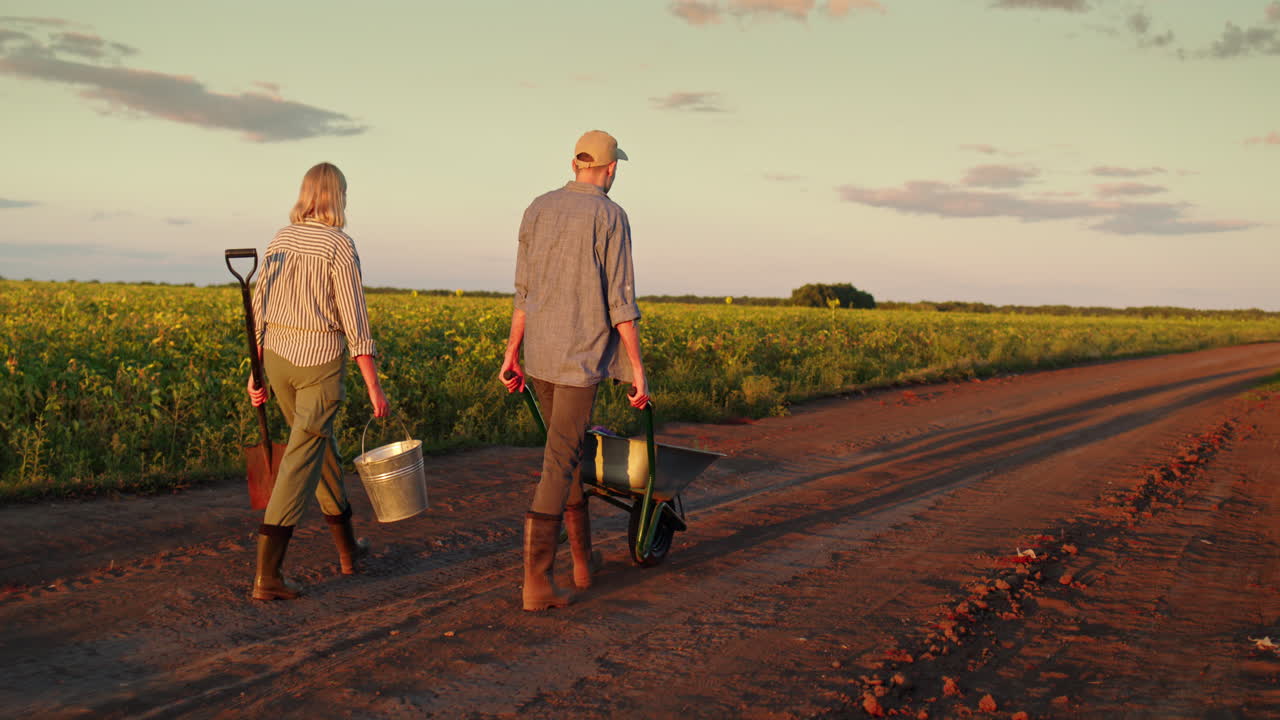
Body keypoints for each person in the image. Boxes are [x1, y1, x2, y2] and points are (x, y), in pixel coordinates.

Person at [499, 130, 650, 611]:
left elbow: (524, 291)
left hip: (541, 354)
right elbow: (621, 303)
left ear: (576, 164)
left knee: (563, 453)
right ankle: (537, 583)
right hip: (580, 359)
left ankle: (583, 564)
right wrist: (637, 369)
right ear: (610, 169)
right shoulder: (611, 215)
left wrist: (512, 352)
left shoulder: (538, 208)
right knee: (559, 461)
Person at [245, 161, 390, 601]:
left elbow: (258, 306)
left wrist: (255, 372)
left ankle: (349, 553)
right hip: (320, 362)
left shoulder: (280, 238)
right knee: (298, 460)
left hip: (277, 359)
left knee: (320, 447)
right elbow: (354, 318)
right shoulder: (339, 245)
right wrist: (372, 384)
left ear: (306, 193)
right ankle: (268, 575)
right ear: (337, 196)